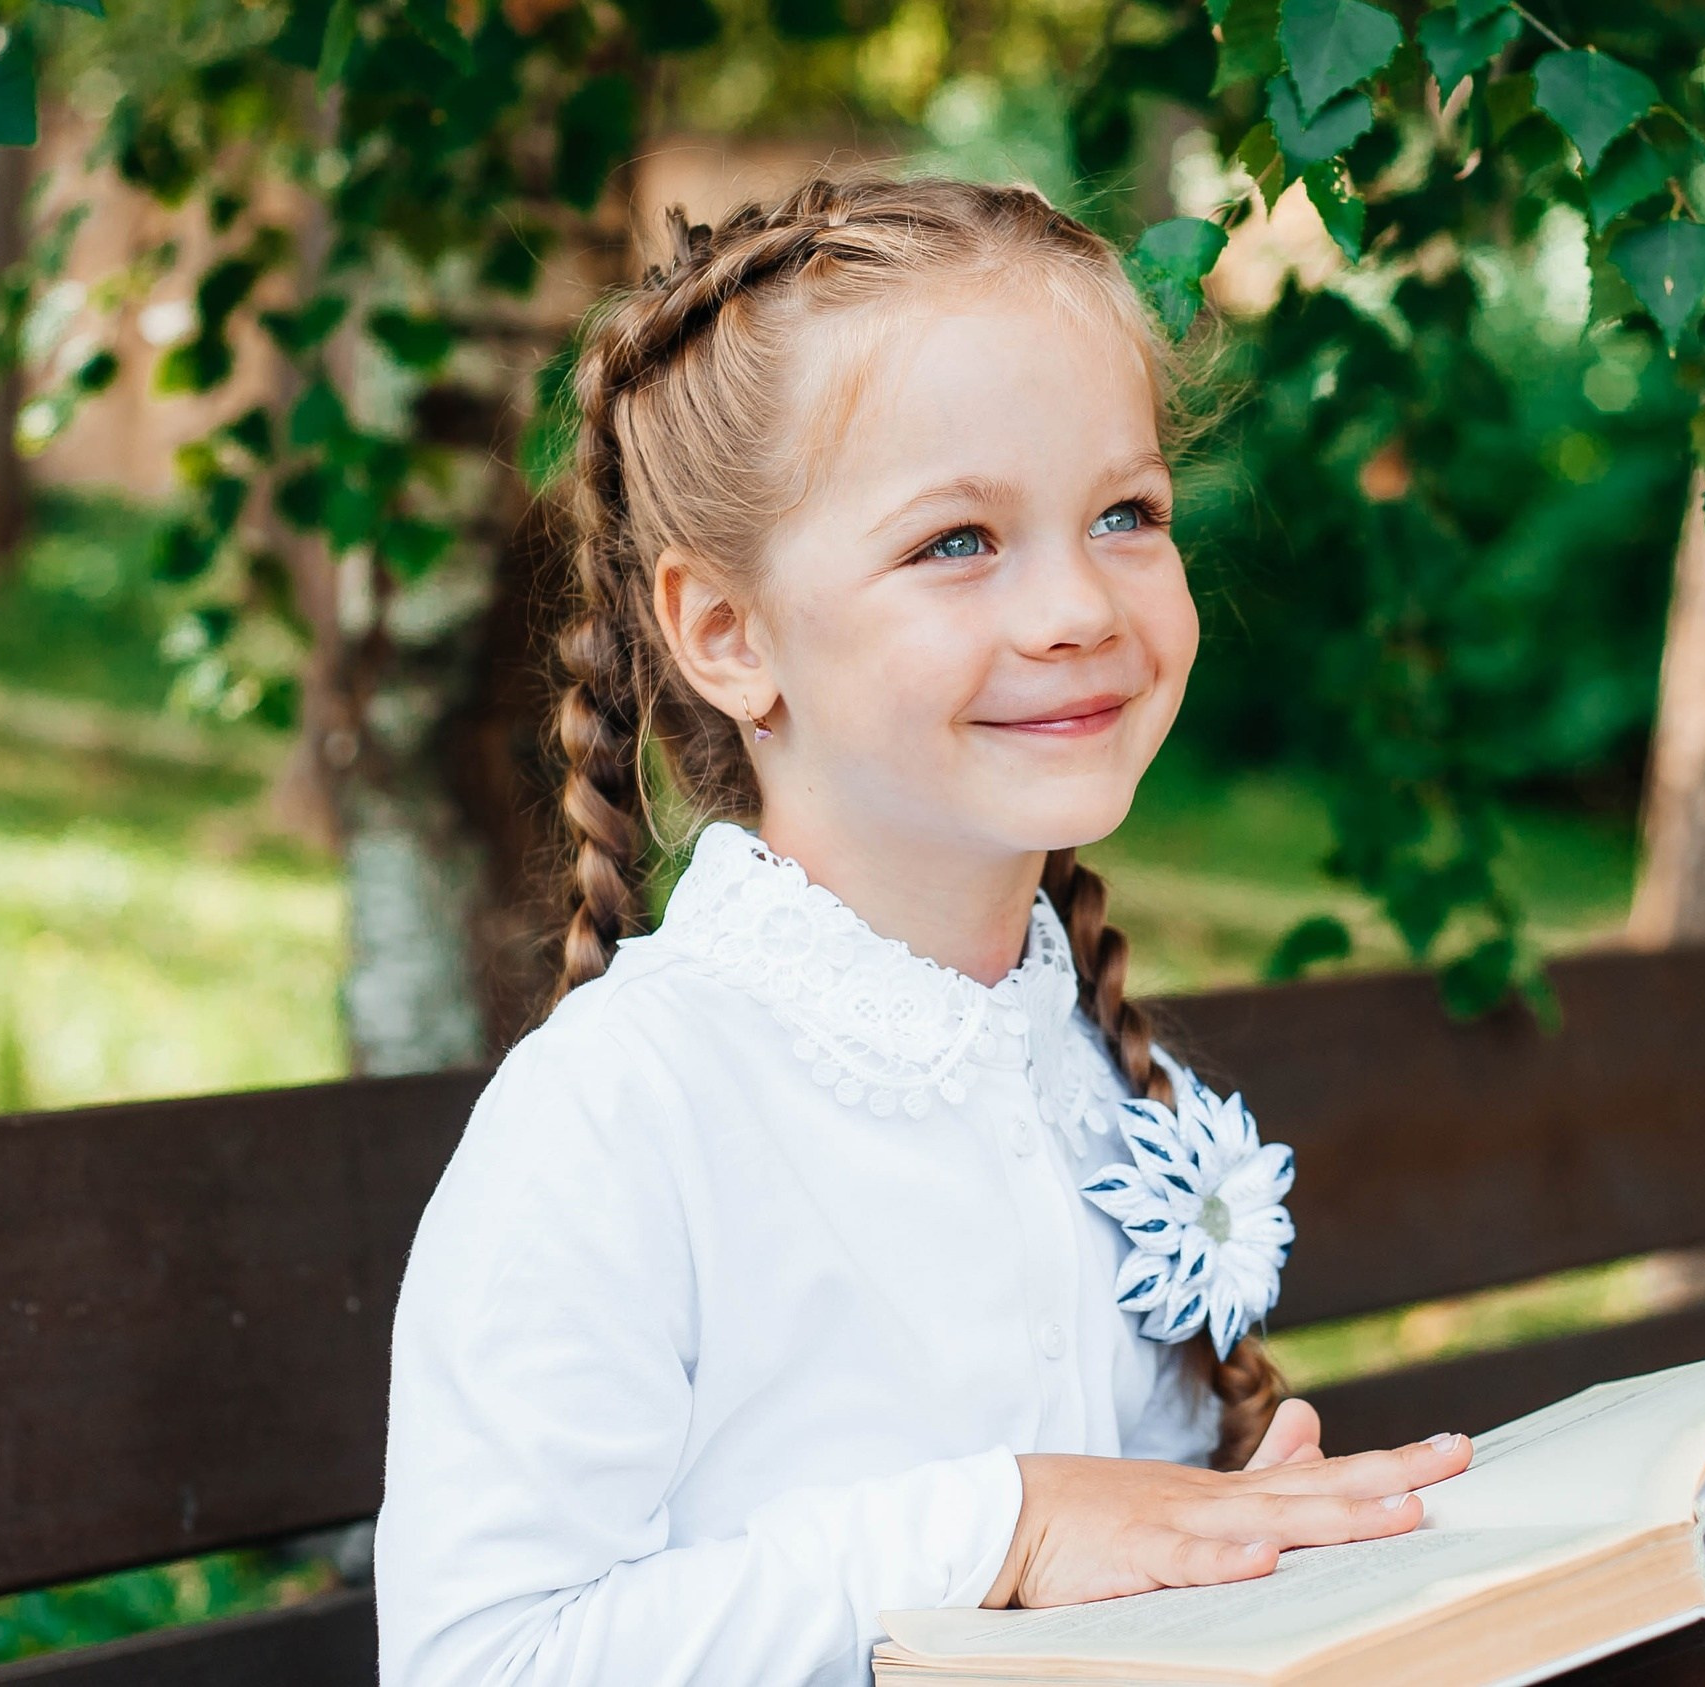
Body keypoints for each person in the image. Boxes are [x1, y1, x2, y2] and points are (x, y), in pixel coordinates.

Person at [375, 173, 1472, 1687]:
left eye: (1124, 514)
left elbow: (1107, 1565)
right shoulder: (624, 1114)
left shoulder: (1082, 1064)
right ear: (727, 634)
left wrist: (1234, 1543)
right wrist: (1004, 1529)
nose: (1080, 605)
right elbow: (481, 1664)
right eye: (959, 540)